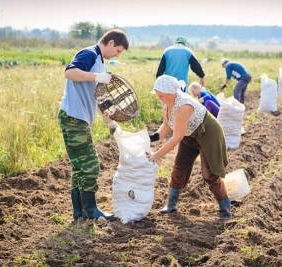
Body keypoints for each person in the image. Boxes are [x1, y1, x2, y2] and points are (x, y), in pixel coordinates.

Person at [59, 29, 129, 221]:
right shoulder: (89, 54)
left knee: (80, 167)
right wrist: (96, 77)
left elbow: (100, 99)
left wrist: (111, 123)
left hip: (78, 118)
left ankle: (79, 212)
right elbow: (70, 72)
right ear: (111, 43)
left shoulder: (99, 61)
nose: (117, 55)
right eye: (119, 51)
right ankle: (91, 211)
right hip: (73, 116)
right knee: (90, 165)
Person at [148, 75, 232, 219]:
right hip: (190, 135)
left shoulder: (184, 106)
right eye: (158, 95)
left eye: (161, 95)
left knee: (209, 174)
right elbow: (167, 125)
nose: (159, 98)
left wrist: (156, 155)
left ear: (171, 93)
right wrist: (152, 137)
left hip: (207, 134)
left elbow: (176, 137)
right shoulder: (168, 103)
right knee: (179, 167)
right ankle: (171, 205)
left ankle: (225, 210)